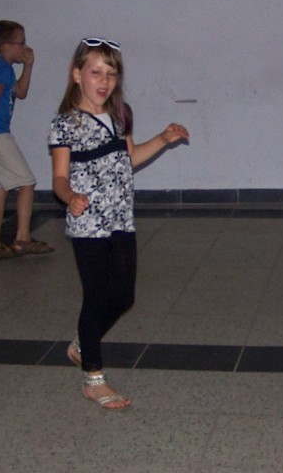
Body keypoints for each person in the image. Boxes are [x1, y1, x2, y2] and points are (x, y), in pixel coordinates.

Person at [49, 37, 189, 409]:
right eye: (96, 72)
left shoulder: (120, 115)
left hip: (121, 219)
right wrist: (70, 197)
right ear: (76, 75)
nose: (104, 81)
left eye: (111, 74)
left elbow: (130, 158)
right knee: (96, 296)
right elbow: (59, 178)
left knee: (124, 296)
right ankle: (93, 378)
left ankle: (83, 342)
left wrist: (162, 139)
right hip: (87, 224)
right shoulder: (65, 125)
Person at [0, 20, 53, 263]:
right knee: (27, 182)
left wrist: (28, 66)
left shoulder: (1, 68)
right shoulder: (2, 68)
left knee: (0, 189)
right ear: (6, 46)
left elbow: (21, 92)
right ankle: (23, 238)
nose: (25, 47)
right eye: (21, 43)